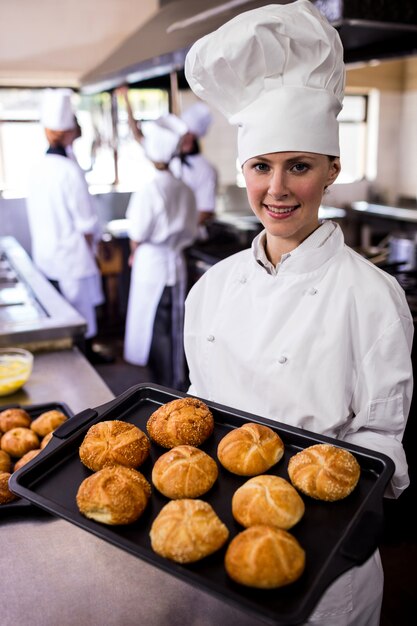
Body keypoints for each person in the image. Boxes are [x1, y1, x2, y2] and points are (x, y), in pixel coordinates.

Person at [183, 1, 413, 625]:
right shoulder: (211, 289)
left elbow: (380, 439)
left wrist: (319, 527)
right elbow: (198, 407)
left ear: (331, 170)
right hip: (214, 541)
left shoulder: (372, 295)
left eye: (300, 166)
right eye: (261, 166)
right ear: (244, 171)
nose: (277, 189)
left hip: (325, 559)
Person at [26, 88, 111, 364]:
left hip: (47, 256)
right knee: (80, 319)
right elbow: (86, 223)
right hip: (73, 257)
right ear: (65, 133)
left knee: (64, 317)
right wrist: (94, 253)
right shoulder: (69, 171)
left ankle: (81, 359)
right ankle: (86, 361)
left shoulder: (37, 167)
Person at [123, 114, 198, 390]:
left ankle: (160, 386)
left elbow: (138, 233)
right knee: (173, 326)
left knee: (156, 329)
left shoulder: (150, 189)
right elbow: (191, 229)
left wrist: (134, 249)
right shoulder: (185, 188)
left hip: (152, 265)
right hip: (175, 262)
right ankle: (173, 381)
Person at [172, 101, 218, 229]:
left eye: (189, 134)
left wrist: (183, 231)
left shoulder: (205, 169)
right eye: (183, 134)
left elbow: (206, 210)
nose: (185, 139)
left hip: (192, 235)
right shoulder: (174, 161)